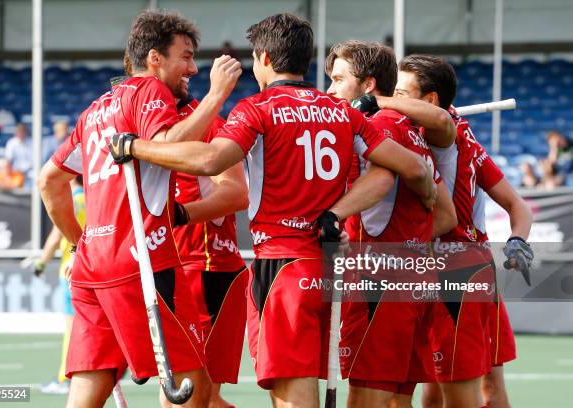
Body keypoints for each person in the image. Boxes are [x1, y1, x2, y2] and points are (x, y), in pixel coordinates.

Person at [109, 13, 437, 408]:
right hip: (330, 268)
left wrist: (133, 148)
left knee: (293, 399)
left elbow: (212, 160)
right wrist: (336, 212)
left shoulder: (257, 108)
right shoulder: (342, 112)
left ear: (264, 58)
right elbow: (412, 168)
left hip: (282, 266)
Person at [39, 9, 242, 408]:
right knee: (192, 386)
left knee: (88, 387)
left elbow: (49, 181)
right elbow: (172, 148)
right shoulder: (149, 92)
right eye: (184, 56)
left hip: (93, 269)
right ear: (154, 59)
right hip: (145, 264)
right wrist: (219, 94)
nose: (193, 68)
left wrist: (80, 244)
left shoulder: (94, 110)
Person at [324, 40, 458, 408]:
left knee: (367, 400)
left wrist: (335, 217)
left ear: (367, 86)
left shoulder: (376, 128)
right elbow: (446, 214)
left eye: (338, 80)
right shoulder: (410, 129)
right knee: (397, 401)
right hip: (415, 280)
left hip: (378, 282)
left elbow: (392, 183)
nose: (329, 91)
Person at [395, 54, 533, 408]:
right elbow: (518, 206)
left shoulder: (442, 135)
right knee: (442, 390)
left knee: (462, 391)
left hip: (455, 272)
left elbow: (518, 207)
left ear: (430, 102)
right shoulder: (456, 135)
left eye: (400, 93)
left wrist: (517, 241)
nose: (393, 100)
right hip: (470, 269)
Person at [173, 96, 249, 408]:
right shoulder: (147, 123)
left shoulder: (209, 125)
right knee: (195, 398)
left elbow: (237, 192)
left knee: (190, 398)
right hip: (169, 268)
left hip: (204, 267)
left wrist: (180, 214)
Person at [35, 176, 85, 395]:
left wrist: (40, 263)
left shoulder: (71, 200)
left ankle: (66, 376)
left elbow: (56, 237)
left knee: (71, 327)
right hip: (91, 268)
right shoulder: (91, 197)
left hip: (70, 269)